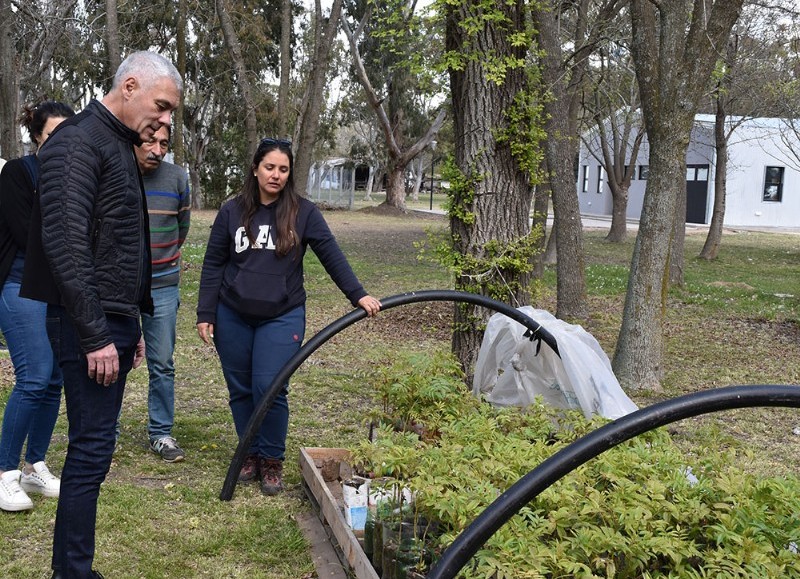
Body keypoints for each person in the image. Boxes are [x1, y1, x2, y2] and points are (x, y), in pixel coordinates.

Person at [20, 51, 181, 579]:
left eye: (172, 111)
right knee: (90, 453)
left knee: (96, 451)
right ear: (129, 85)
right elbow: (65, 246)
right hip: (84, 324)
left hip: (114, 322)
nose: (166, 120)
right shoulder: (77, 141)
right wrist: (94, 335)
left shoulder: (117, 143)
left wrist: (133, 322)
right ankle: (71, 572)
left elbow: (118, 243)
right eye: (161, 105)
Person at [196, 138, 381, 496]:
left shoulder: (303, 212)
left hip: (281, 315)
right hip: (232, 313)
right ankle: (248, 453)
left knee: (271, 385)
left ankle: (271, 460)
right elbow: (213, 263)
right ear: (255, 168)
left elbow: (331, 254)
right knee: (241, 389)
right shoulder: (232, 211)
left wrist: (357, 294)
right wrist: (206, 312)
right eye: (269, 167)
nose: (276, 175)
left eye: (283, 169)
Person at [0, 101, 75, 512]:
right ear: (37, 138)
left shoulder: (76, 177)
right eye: (54, 136)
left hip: (56, 291)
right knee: (33, 377)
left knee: (54, 380)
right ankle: (4, 472)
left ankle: (34, 466)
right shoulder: (18, 173)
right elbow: (31, 233)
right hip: (19, 286)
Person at [130, 124, 190, 462]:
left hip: (163, 286)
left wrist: (161, 261)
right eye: (150, 141)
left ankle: (161, 433)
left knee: (162, 362)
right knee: (115, 361)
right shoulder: (116, 171)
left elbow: (181, 227)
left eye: (164, 143)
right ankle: (105, 432)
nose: (157, 148)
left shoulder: (178, 179)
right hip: (120, 287)